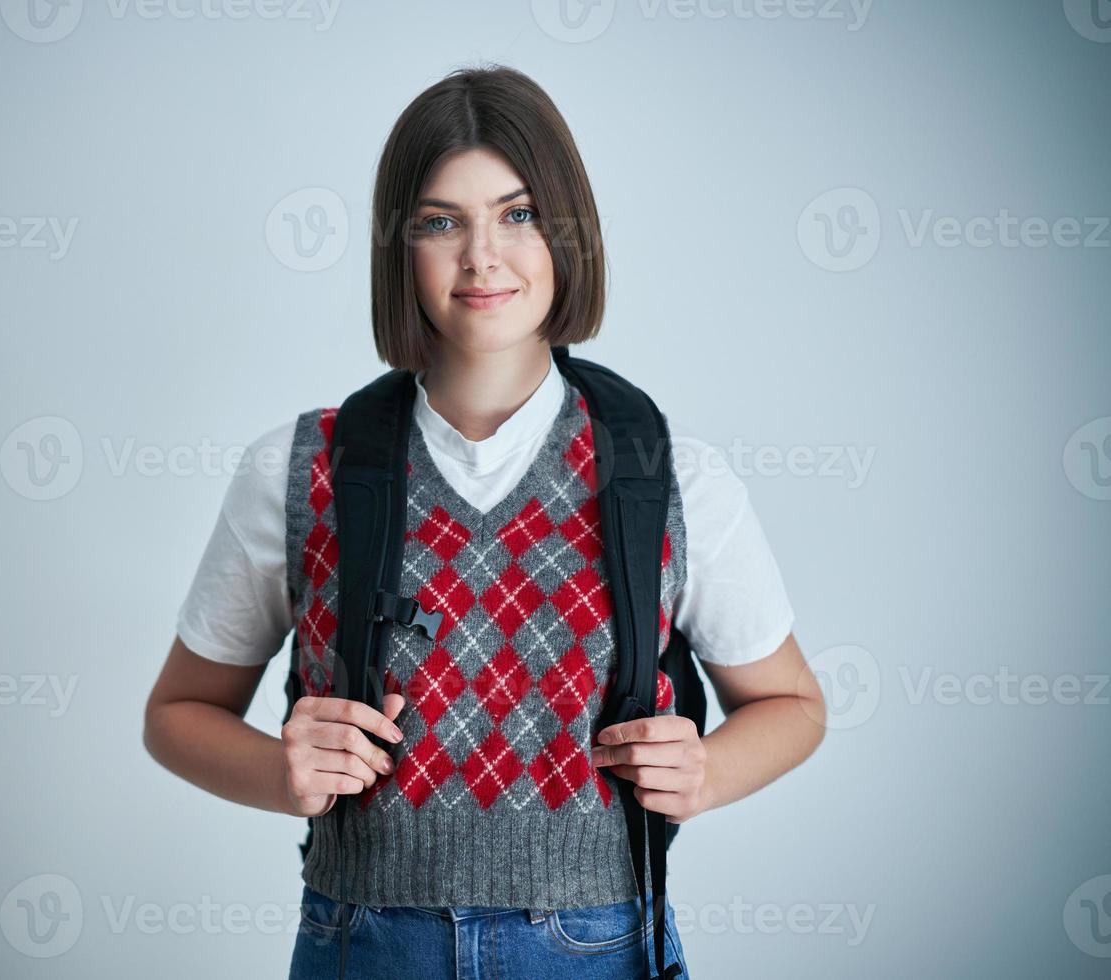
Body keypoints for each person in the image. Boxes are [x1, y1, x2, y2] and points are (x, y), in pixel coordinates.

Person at [143, 63, 827, 980]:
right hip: (365, 946)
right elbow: (177, 714)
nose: (482, 257)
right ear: (399, 248)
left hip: (597, 945)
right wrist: (280, 772)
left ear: (566, 232)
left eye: (518, 213)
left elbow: (794, 706)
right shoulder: (299, 467)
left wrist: (707, 770)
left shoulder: (671, 476)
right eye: (440, 222)